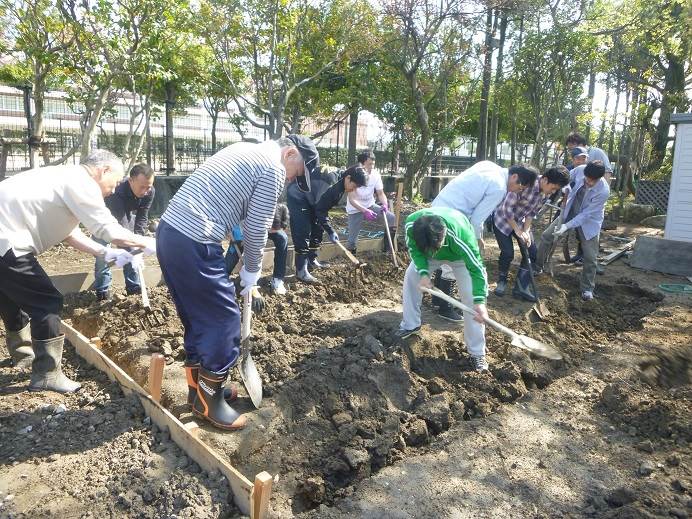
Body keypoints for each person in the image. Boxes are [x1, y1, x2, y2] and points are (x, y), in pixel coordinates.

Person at [156, 135, 318, 430]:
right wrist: (252, 273)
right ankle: (209, 403)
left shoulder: (244, 150)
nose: (292, 180)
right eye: (298, 173)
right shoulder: (272, 168)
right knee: (224, 320)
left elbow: (234, 210)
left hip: (171, 234)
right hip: (194, 239)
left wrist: (242, 258)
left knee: (198, 319)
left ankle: (200, 390)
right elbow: (258, 229)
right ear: (291, 153)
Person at [0, 150, 155, 392]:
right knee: (47, 302)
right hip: (7, 240)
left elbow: (69, 233)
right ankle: (47, 375)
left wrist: (107, 253)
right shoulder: (82, 182)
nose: (114, 189)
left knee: (11, 296)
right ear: (103, 171)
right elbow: (108, 229)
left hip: (5, 239)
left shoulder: (64, 179)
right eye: (114, 182)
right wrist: (154, 245)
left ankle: (23, 355)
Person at [429, 161, 538, 321]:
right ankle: (445, 308)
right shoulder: (499, 188)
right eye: (519, 188)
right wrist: (475, 241)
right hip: (452, 216)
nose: (516, 191)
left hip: (439, 207)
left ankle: (438, 301)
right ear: (514, 177)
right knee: (455, 259)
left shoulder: (489, 165)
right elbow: (476, 219)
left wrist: (478, 236)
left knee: (443, 256)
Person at [395, 207, 490, 371]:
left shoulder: (461, 236)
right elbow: (415, 250)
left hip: (459, 257)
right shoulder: (412, 225)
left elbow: (477, 269)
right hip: (428, 256)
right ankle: (410, 325)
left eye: (434, 248)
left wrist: (480, 301)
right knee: (412, 276)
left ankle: (477, 354)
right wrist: (424, 273)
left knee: (471, 300)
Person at [535, 161, 609, 301]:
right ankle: (537, 267)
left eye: (593, 180)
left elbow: (586, 215)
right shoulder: (580, 169)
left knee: (590, 256)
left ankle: (587, 289)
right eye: (587, 178)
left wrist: (566, 226)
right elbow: (567, 180)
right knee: (546, 236)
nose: (589, 182)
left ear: (600, 178)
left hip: (589, 220)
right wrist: (566, 188)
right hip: (569, 210)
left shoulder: (603, 191)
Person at [493, 166, 570, 300]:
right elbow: (507, 208)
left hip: (521, 222)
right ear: (545, 180)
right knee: (508, 252)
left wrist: (526, 231)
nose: (553, 192)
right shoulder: (526, 182)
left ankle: (521, 287)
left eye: (556, 190)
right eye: (553, 188)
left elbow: (532, 213)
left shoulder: (546, 194)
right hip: (503, 220)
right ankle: (502, 280)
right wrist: (517, 229)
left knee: (532, 253)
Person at [287, 165, 368, 283]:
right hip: (298, 196)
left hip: (312, 199)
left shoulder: (340, 181)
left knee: (318, 226)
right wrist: (330, 231)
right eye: (354, 186)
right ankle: (301, 271)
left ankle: (311, 260)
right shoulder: (332, 185)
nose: (353, 190)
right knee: (303, 230)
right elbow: (320, 210)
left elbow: (321, 209)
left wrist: (327, 227)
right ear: (348, 178)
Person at [93, 163, 155, 301]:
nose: (146, 191)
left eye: (148, 186)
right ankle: (102, 291)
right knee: (102, 254)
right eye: (142, 187)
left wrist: (138, 242)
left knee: (132, 252)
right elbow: (120, 224)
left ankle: (134, 289)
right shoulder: (117, 190)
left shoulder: (149, 191)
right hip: (102, 219)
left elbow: (142, 217)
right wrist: (132, 246)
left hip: (125, 217)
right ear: (131, 180)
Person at [225, 203, 290, 295]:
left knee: (282, 238)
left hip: (262, 224)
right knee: (231, 258)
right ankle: (220, 280)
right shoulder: (250, 213)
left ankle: (278, 280)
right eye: (272, 229)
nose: (270, 232)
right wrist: (251, 282)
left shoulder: (271, 206)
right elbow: (253, 251)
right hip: (242, 228)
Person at [345, 150, 396, 253]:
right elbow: (352, 199)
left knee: (391, 218)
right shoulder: (352, 174)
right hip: (355, 209)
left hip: (370, 206)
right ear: (362, 163)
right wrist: (364, 211)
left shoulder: (376, 175)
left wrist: (385, 204)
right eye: (369, 164)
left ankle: (387, 250)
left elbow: (380, 193)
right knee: (351, 242)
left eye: (373, 164)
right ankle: (352, 260)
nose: (372, 166)